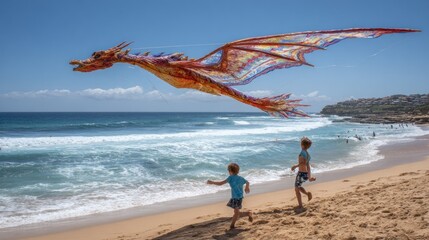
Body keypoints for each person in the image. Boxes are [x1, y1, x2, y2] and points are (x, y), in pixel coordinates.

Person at [207, 163, 253, 229]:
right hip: (238, 197)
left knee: (236, 213)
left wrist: (212, 182)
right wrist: (247, 187)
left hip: (236, 198)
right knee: (237, 212)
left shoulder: (230, 178)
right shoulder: (240, 178)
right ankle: (248, 213)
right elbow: (247, 182)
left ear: (230, 171)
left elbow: (221, 183)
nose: (228, 171)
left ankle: (232, 225)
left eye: (228, 170)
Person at [291, 137, 316, 211]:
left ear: (302, 145)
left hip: (301, 173)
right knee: (298, 187)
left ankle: (301, 205)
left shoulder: (302, 153)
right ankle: (306, 195)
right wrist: (309, 176)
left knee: (297, 189)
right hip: (304, 174)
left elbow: (303, 163)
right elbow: (308, 166)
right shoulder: (308, 155)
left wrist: (295, 166)